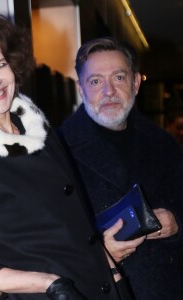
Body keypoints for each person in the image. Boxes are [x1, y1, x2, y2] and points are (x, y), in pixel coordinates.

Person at [0, 13, 133, 300]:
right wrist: (48, 283)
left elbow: (75, 220)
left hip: (102, 287)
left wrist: (112, 271)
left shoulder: (39, 133)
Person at [58, 37, 183, 300]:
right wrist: (98, 253)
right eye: (95, 81)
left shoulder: (163, 143)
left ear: (135, 83)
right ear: (81, 88)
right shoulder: (57, 151)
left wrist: (177, 223)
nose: (109, 91)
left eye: (118, 78)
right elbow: (46, 242)